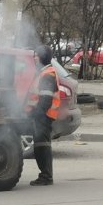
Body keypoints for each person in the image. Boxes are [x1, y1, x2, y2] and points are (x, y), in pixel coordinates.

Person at [24, 44, 61, 186]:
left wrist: (37, 115)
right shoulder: (44, 73)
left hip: (44, 116)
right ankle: (45, 175)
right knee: (41, 145)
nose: (34, 59)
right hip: (42, 116)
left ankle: (46, 176)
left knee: (42, 146)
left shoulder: (48, 74)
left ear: (40, 58)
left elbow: (45, 99)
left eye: (35, 56)